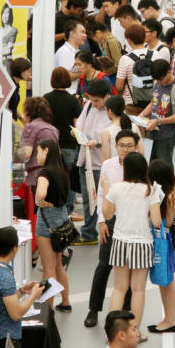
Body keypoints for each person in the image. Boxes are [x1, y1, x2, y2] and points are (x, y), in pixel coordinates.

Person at [102, 151, 162, 339]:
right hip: (142, 243)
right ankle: (134, 332)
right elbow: (157, 221)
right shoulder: (151, 190)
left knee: (119, 288)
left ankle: (111, 333)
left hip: (120, 241)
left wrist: (105, 190)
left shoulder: (116, 188)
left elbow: (108, 214)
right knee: (138, 290)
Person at [84, 129, 139, 328]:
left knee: (131, 268)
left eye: (129, 145)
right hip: (111, 221)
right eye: (122, 145)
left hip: (133, 223)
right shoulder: (107, 165)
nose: (125, 149)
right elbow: (100, 195)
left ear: (136, 147)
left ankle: (125, 311)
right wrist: (101, 221)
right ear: (116, 147)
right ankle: (93, 309)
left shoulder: (141, 166)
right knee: (104, 265)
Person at [146, 159, 175, 333]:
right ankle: (168, 319)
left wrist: (153, 204)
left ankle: (170, 321)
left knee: (167, 281)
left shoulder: (170, 194)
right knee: (166, 281)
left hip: (172, 238)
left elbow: (167, 223)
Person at [33, 139, 73, 311]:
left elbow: (41, 193)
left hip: (47, 221)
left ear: (46, 151)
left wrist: (39, 201)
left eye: (39, 151)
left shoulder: (45, 173)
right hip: (62, 219)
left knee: (48, 267)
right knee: (58, 265)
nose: (37, 155)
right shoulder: (62, 171)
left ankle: (48, 307)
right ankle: (65, 302)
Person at [75, 80, 112, 245]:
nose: (94, 103)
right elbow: (80, 123)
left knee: (104, 199)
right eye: (92, 100)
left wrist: (98, 141)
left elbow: (114, 134)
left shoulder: (112, 111)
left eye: (97, 100)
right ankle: (89, 233)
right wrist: (79, 133)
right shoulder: (89, 105)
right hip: (85, 160)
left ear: (106, 97)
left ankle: (108, 232)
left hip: (101, 163)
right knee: (87, 198)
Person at [43, 67, 83, 214]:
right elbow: (77, 124)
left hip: (50, 144)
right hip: (69, 144)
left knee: (51, 175)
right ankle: (68, 209)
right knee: (69, 177)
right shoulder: (72, 100)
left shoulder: (45, 98)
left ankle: (53, 204)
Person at [138, 59, 175, 168]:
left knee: (164, 168)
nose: (160, 82)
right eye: (157, 79)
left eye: (161, 79)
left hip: (167, 136)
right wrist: (142, 115)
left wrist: (159, 121)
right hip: (152, 132)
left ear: (169, 71)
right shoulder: (157, 83)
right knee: (150, 166)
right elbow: (153, 102)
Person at [115, 24, 154, 115]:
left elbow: (119, 86)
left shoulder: (125, 59)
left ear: (129, 40)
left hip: (132, 104)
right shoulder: (156, 54)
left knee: (135, 129)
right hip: (153, 103)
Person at [100, 96, 144, 161]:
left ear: (109, 111)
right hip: (132, 167)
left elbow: (106, 160)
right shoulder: (134, 127)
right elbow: (141, 152)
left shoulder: (106, 132)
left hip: (114, 169)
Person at [54, 18, 88, 93]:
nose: (85, 35)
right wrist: (84, 71)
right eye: (82, 32)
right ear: (72, 33)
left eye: (85, 33)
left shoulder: (77, 52)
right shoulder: (64, 51)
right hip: (67, 93)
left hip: (75, 92)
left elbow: (74, 71)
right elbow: (64, 76)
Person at [8, 57, 31, 123]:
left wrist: (22, 119)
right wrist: (17, 126)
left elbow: (13, 107)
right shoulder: (9, 86)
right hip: (8, 125)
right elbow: (6, 110)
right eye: (28, 71)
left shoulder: (16, 85)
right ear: (22, 71)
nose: (29, 74)